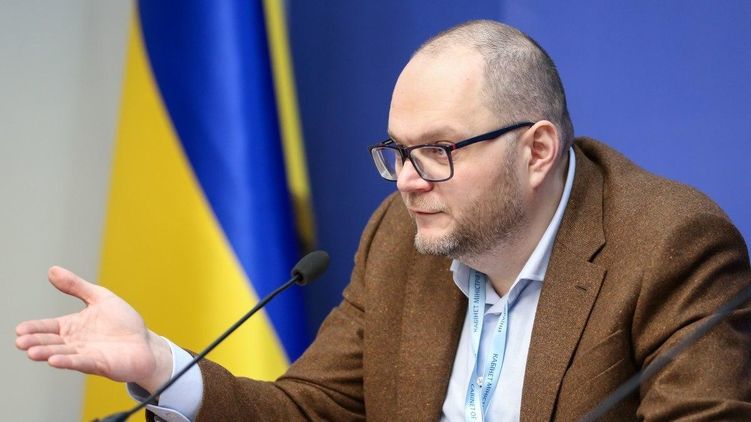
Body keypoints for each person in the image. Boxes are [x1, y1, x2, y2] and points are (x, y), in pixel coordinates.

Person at [16, 20, 751, 421]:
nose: (406, 180)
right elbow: (315, 410)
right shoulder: (400, 238)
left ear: (535, 151)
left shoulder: (668, 243)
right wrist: (159, 365)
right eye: (397, 151)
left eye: (437, 151)